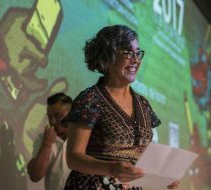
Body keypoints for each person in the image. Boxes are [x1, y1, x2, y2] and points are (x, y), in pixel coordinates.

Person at [64, 25, 180, 189]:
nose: (135, 59)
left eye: (138, 53)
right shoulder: (90, 99)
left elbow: (141, 157)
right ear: (107, 56)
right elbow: (73, 158)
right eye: (127, 52)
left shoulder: (143, 104)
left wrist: (162, 175)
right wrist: (110, 168)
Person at [27, 93, 72, 190]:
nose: (52, 122)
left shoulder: (85, 136)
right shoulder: (43, 139)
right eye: (49, 117)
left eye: (58, 116)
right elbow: (35, 176)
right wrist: (46, 144)